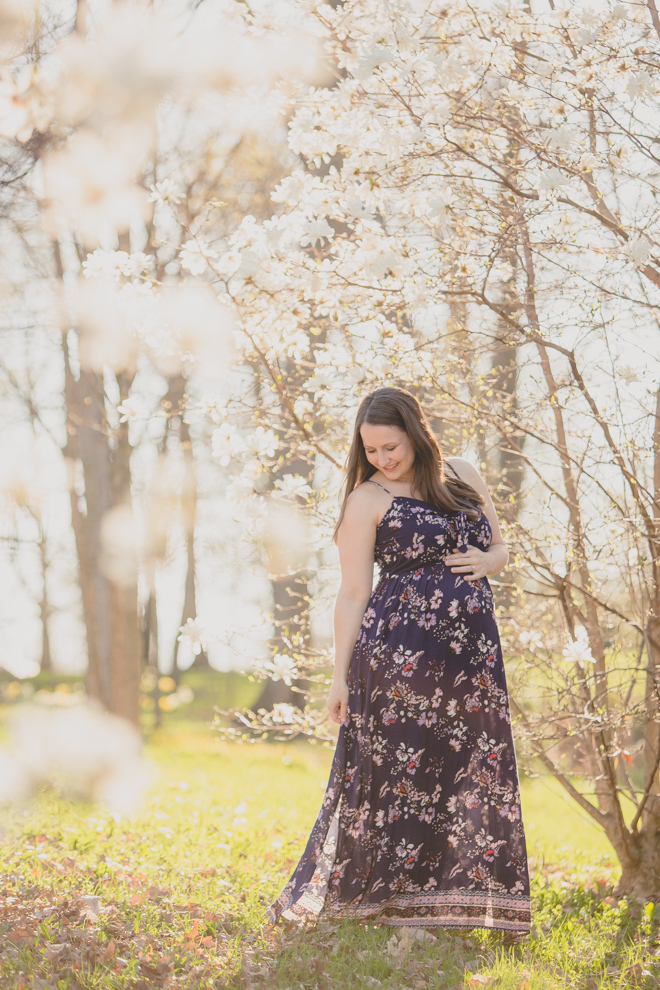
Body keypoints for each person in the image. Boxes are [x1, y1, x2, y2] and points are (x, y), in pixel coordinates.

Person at [268, 387, 530, 932]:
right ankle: (389, 906)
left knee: (467, 772)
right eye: (371, 450)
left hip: (472, 658)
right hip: (401, 656)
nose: (382, 459)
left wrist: (487, 561)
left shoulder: (462, 473)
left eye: (391, 446)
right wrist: (338, 677)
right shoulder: (367, 500)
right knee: (403, 777)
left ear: (415, 432)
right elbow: (352, 593)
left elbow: (502, 549)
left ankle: (448, 903)